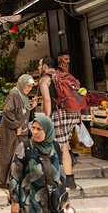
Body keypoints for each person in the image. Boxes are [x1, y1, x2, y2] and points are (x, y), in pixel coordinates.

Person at [10, 116, 69, 213]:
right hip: (30, 204)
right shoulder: (25, 148)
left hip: (53, 203)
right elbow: (14, 177)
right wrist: (15, 202)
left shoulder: (56, 147)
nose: (34, 132)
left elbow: (61, 174)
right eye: (33, 128)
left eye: (39, 129)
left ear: (48, 130)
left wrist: (65, 198)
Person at [38, 56, 80, 188]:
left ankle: (69, 179)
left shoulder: (44, 79)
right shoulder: (62, 75)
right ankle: (68, 163)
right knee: (65, 142)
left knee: (62, 146)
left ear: (45, 66)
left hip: (60, 113)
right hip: (73, 112)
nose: (39, 68)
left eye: (40, 65)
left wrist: (47, 118)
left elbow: (47, 100)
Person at [0, 74, 37, 188]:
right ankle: (3, 181)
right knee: (8, 154)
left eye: (30, 87)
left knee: (20, 154)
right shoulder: (14, 93)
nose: (29, 89)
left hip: (21, 130)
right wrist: (16, 126)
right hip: (10, 131)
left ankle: (16, 179)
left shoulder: (23, 95)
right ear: (22, 84)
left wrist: (31, 106)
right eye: (27, 86)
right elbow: (8, 111)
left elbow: (21, 109)